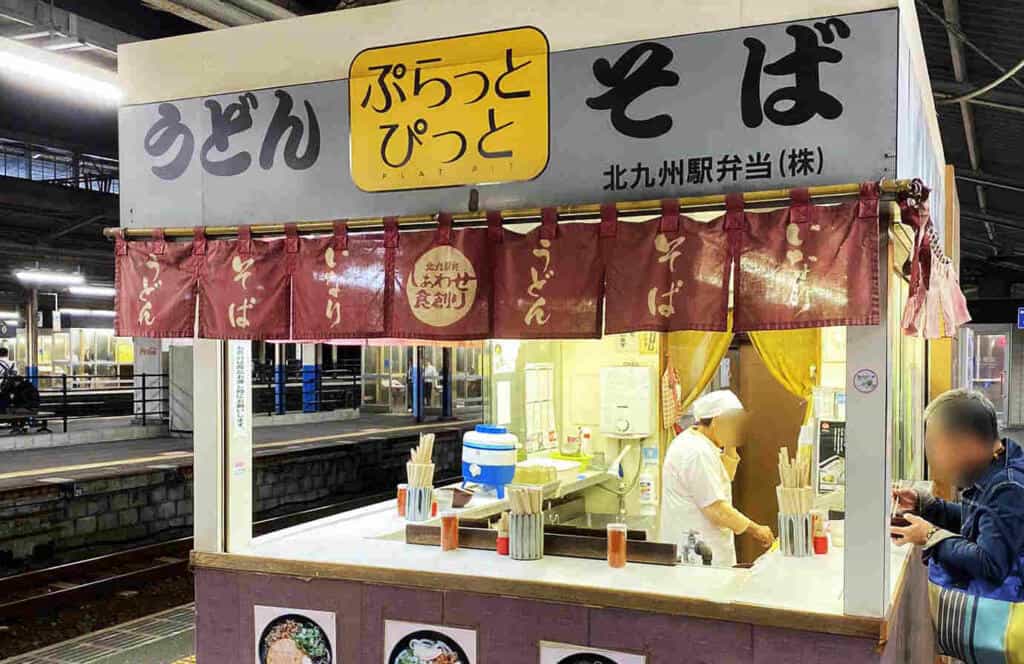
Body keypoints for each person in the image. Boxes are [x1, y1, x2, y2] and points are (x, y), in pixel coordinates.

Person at [892, 389, 1024, 599]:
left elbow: (990, 564)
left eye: (940, 448)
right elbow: (981, 520)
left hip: (1002, 626)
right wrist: (926, 506)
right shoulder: (998, 470)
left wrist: (930, 536)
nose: (935, 460)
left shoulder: (1008, 488)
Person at [659, 389, 774, 567]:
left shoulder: (701, 443)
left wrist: (730, 445)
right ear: (716, 422)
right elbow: (716, 509)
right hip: (697, 556)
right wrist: (755, 529)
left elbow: (724, 478)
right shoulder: (696, 452)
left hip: (707, 550)